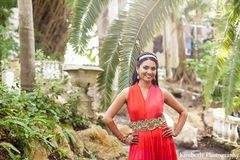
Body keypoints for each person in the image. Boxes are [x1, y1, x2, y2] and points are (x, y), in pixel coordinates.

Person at [102, 52, 188, 160]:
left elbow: (183, 112)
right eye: (145, 68)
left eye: (153, 69)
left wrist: (176, 131)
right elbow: (107, 118)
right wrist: (123, 139)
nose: (149, 72)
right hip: (140, 143)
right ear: (137, 69)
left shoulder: (162, 92)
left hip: (162, 141)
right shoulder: (127, 93)